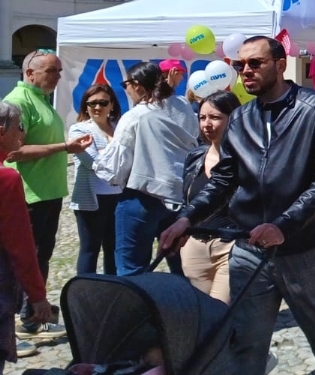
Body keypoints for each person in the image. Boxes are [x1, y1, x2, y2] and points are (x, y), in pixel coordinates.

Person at [160, 36, 315, 375]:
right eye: (240, 65)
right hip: (248, 244)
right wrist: (186, 219)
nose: (245, 70)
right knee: (247, 338)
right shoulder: (240, 118)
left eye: (255, 63)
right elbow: (223, 180)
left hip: (305, 245)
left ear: (280, 64)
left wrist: (283, 226)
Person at [4, 51, 90, 341]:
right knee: (27, 257)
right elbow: (15, 151)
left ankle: (30, 314)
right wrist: (64, 147)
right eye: (51, 71)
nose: (57, 76)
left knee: (41, 255)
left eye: (59, 70)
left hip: (47, 193)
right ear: (30, 73)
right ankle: (21, 318)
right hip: (30, 194)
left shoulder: (40, 99)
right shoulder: (18, 101)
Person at [95, 62, 199, 276]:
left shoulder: (136, 115)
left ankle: (138, 309)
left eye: (126, 85)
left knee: (131, 268)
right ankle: (186, 307)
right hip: (179, 196)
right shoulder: (183, 106)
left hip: (142, 195)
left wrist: (99, 158)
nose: (126, 90)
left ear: (137, 85)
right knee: (183, 267)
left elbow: (113, 169)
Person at [0, 101, 54, 369]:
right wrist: (37, 296)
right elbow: (20, 245)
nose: (22, 134)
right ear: (1, 131)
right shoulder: (6, 179)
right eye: (19, 127)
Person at [179, 91, 241, 303]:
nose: (206, 124)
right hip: (194, 247)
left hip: (230, 246)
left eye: (215, 117)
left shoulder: (248, 159)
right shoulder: (195, 156)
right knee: (200, 315)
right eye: (202, 117)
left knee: (219, 312)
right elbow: (187, 199)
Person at [69, 83, 124, 275]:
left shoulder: (121, 128)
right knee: (90, 250)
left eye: (103, 102)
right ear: (85, 107)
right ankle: (84, 296)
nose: (97, 107)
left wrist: (104, 156)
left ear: (112, 105)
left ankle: (113, 290)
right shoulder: (78, 130)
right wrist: (118, 164)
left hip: (119, 197)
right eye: (92, 103)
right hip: (90, 199)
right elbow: (90, 162)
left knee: (115, 249)